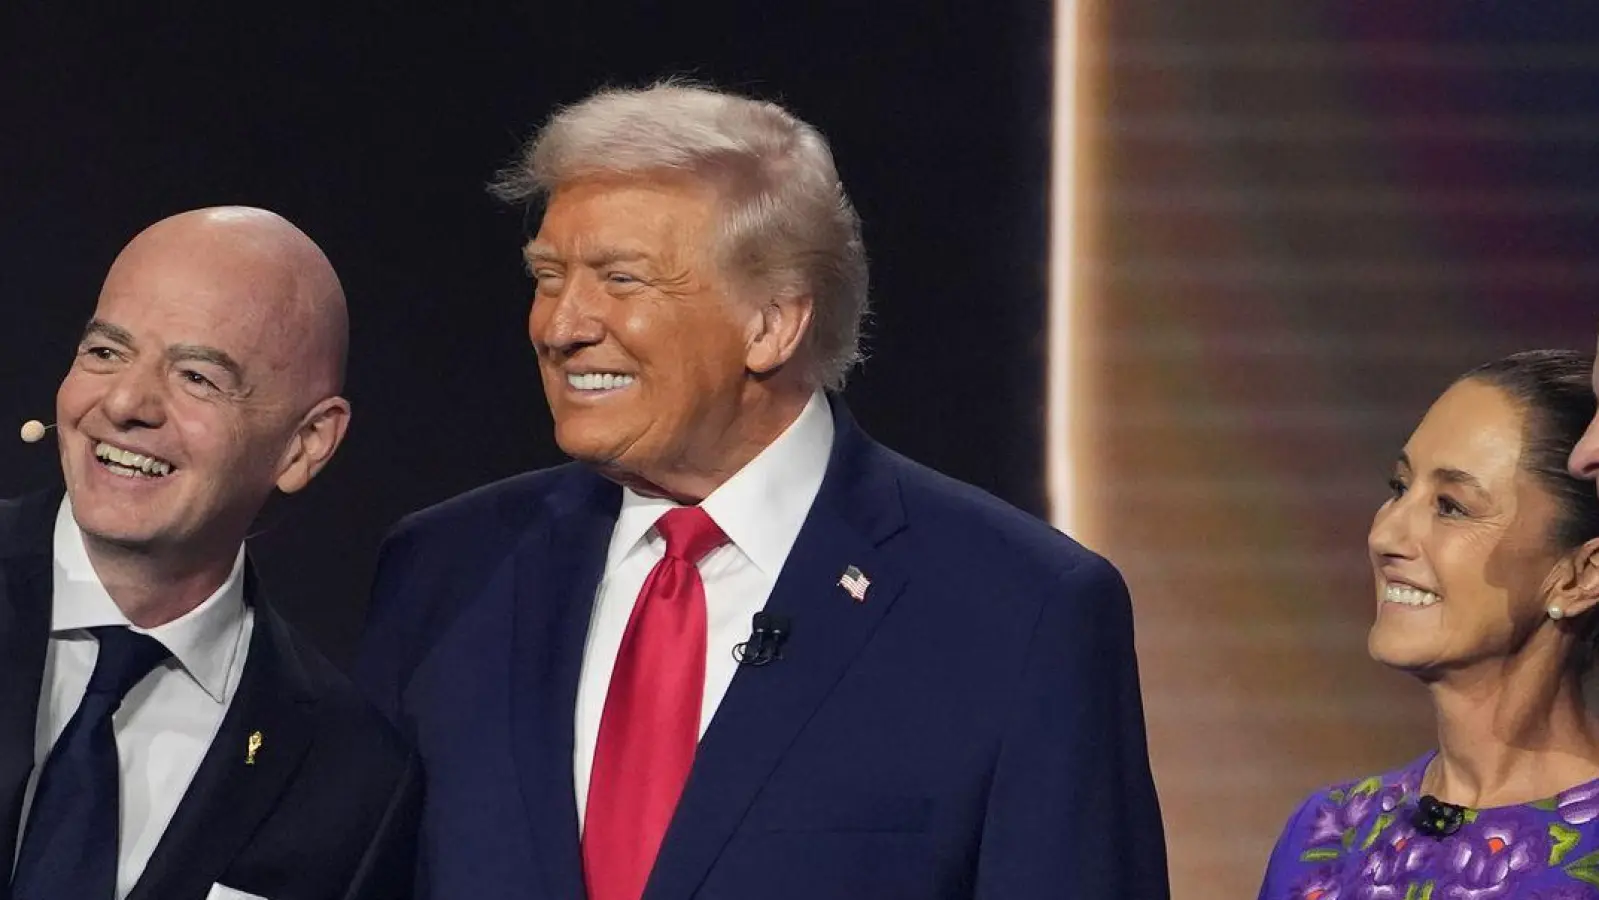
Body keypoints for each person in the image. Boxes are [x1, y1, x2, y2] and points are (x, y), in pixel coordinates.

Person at [354, 81, 1168, 899]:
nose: (561, 326)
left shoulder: (1018, 609)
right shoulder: (446, 571)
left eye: (622, 279)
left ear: (772, 324)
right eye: (549, 276)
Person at [0, 207, 419, 900]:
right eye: (105, 352)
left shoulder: (351, 778)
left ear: (305, 444)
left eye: (197, 376)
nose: (126, 402)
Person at [1258, 349, 1599, 898]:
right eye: (1399, 488)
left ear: (1580, 576)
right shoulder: (1326, 835)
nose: (1384, 536)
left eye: (1451, 506)